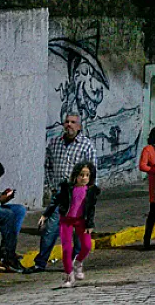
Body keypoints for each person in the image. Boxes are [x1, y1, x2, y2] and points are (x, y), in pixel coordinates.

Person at [29, 113, 97, 274]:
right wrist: (52, 187)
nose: (69, 125)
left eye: (73, 122)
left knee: (78, 233)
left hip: (80, 196)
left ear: (79, 126)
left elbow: (93, 171)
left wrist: (90, 194)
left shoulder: (87, 145)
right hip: (60, 195)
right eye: (66, 122)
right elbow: (48, 166)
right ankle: (40, 263)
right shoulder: (54, 144)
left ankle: (74, 262)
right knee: (50, 229)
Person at [40, 161, 99, 288]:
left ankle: (77, 263)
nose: (84, 178)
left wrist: (90, 224)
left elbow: (91, 209)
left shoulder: (91, 191)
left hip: (81, 221)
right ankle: (69, 275)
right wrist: (45, 215)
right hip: (66, 220)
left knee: (87, 245)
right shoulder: (67, 189)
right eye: (81, 175)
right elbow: (55, 201)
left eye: (87, 175)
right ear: (75, 175)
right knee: (67, 249)